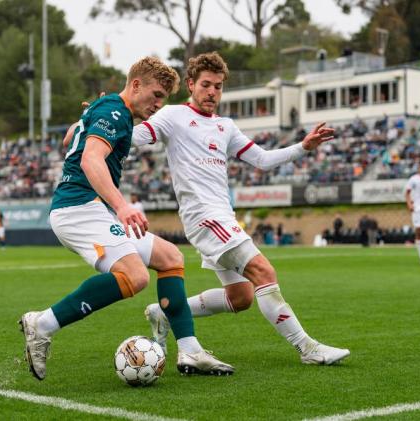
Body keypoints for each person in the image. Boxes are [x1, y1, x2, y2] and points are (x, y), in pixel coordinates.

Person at [19, 56, 233, 382]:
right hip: (79, 209)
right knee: (135, 277)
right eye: (156, 95)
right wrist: (122, 206)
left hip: (89, 208)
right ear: (136, 85)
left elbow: (68, 140)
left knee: (170, 257)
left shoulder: (110, 108)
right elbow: (91, 159)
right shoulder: (114, 111)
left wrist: (90, 117)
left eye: (163, 98)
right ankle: (43, 324)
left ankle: (189, 349)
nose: (159, 104)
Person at [133, 52, 349, 365]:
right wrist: (103, 119)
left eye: (218, 87)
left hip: (222, 217)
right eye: (206, 85)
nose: (212, 92)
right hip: (205, 218)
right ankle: (309, 349)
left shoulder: (225, 126)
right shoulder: (172, 116)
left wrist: (303, 147)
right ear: (191, 85)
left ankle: (165, 312)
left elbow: (261, 159)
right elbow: (135, 137)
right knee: (264, 272)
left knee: (242, 297)